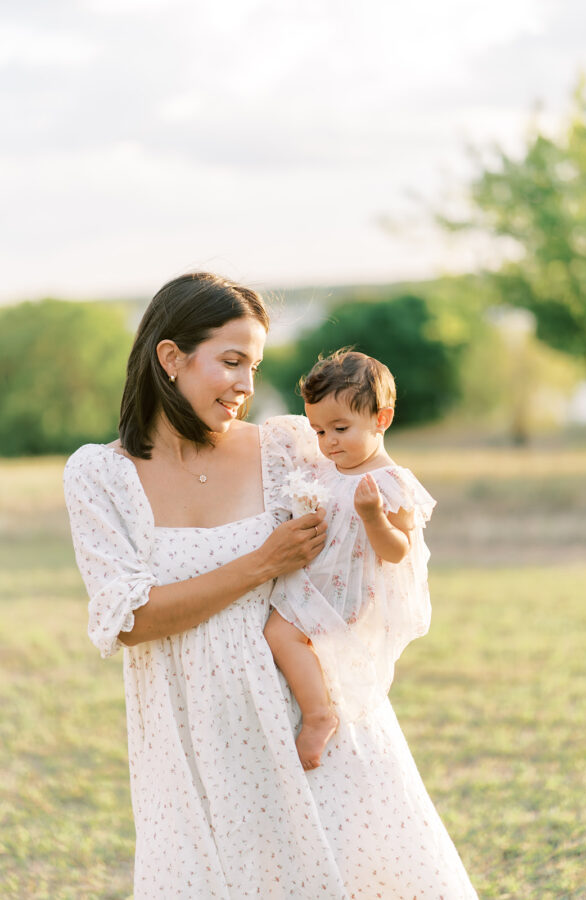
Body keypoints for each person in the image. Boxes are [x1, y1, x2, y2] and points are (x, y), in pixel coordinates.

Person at [64, 272, 479, 899]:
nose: (246, 386)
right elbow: (130, 619)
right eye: (231, 362)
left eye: (254, 366)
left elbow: (379, 512)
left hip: (313, 729)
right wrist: (262, 563)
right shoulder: (100, 475)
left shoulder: (288, 448)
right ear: (171, 358)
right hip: (197, 742)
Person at [264, 350, 427, 771]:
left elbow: (398, 551)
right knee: (285, 636)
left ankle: (319, 715)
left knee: (280, 634)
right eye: (319, 430)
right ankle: (320, 701)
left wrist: (373, 517)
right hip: (318, 580)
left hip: (346, 590)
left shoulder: (390, 481)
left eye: (340, 428)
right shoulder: (329, 467)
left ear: (382, 420)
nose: (328, 442)